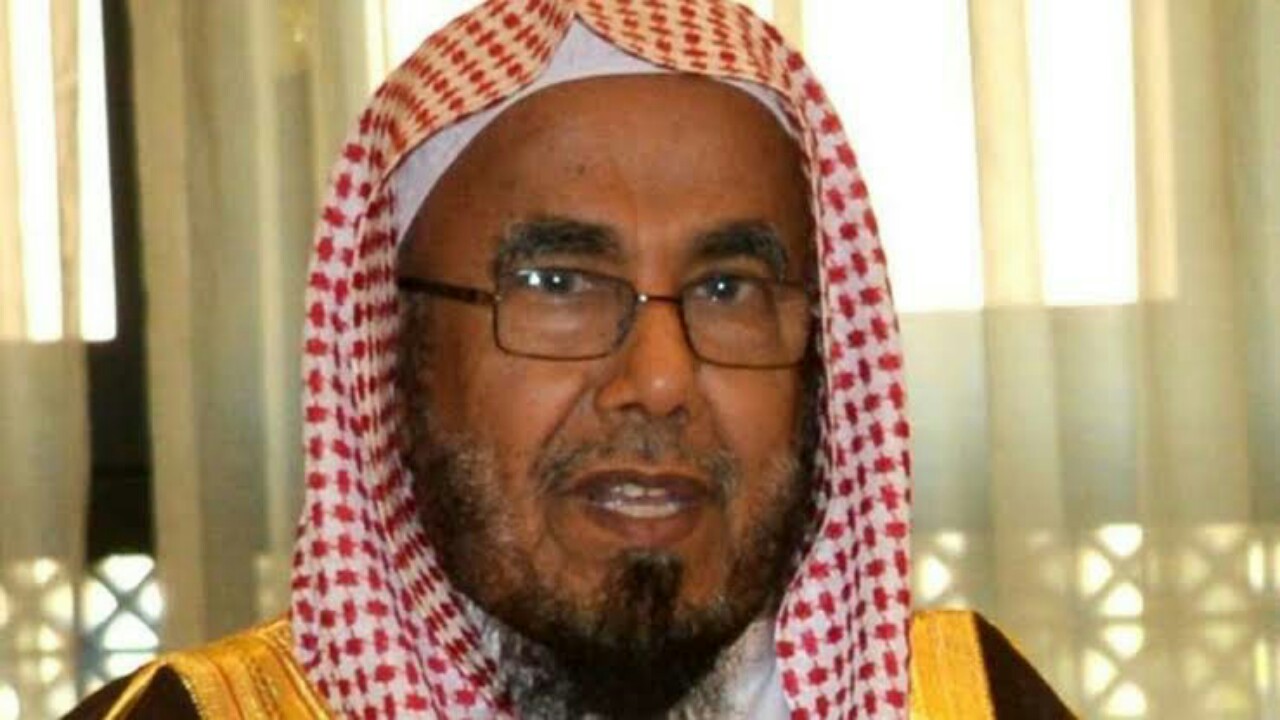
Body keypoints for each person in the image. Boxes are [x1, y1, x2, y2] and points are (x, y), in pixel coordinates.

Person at [70, 0, 1072, 717]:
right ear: (393, 358)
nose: (661, 380)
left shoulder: (973, 702)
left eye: (729, 289)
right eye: (556, 283)